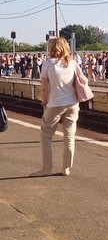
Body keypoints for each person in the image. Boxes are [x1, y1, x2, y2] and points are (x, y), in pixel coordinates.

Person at [30, 37, 82, 177]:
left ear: (51, 48)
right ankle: (66, 168)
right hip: (72, 103)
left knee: (46, 136)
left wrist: (44, 103)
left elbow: (44, 88)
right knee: (69, 137)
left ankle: (47, 168)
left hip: (54, 103)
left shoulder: (48, 64)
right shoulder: (72, 63)